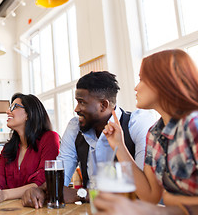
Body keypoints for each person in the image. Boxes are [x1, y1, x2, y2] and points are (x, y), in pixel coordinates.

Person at [22, 71, 156, 208]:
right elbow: (59, 180)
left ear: (103, 105)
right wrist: (39, 190)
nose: (76, 109)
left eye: (82, 102)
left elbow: (143, 192)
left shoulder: (137, 123)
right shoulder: (75, 127)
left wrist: (80, 194)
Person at [100, 49, 198, 212]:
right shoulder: (155, 133)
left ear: (165, 81)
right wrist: (119, 146)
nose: (136, 87)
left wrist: (170, 200)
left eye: (142, 79)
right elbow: (150, 195)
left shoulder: (193, 125)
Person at [0, 93, 60, 204]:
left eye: (15, 107)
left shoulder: (50, 138)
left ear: (29, 113)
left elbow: (43, 182)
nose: (8, 111)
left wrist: (5, 194)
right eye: (10, 107)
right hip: (10, 208)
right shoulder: (8, 148)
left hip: (38, 208)